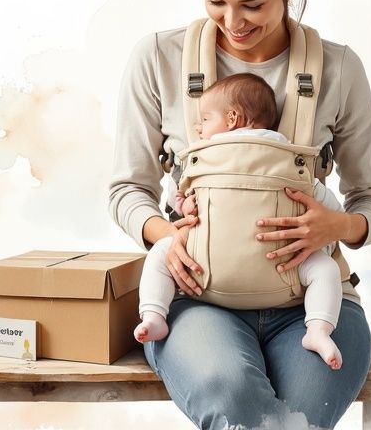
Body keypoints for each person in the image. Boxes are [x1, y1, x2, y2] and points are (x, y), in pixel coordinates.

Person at [108, 0, 371, 429]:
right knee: (229, 392)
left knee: (299, 413)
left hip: (311, 305)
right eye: (215, 1)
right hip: (197, 301)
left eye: (253, 5)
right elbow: (126, 190)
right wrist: (170, 236)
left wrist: (336, 228)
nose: (231, 22)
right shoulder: (158, 60)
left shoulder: (337, 70)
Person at [133, 73, 347, 370]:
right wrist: (332, 224)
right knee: (326, 270)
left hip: (204, 269)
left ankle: (154, 316)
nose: (199, 128)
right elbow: (323, 202)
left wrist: (184, 204)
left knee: (160, 253)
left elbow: (176, 197)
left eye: (205, 120)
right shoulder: (287, 154)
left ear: (232, 118)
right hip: (284, 267)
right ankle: (319, 330)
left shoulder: (204, 155)